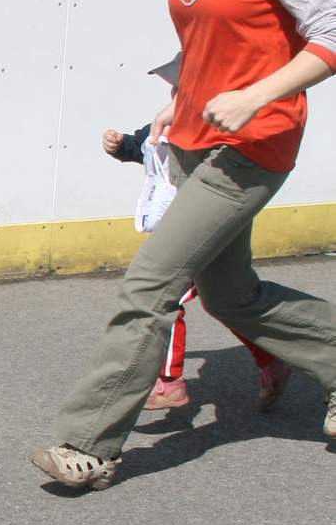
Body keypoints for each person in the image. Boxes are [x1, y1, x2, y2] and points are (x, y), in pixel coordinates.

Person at [33, 0, 336, 491]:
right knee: (231, 296)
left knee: (150, 283)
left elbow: (328, 35)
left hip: (252, 146)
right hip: (195, 140)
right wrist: (177, 94)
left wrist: (255, 95)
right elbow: (208, 36)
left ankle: (89, 444)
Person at [101, 117, 286, 413]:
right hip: (182, 235)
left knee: (165, 298)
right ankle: (271, 358)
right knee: (227, 304)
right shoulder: (171, 119)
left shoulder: (219, 124)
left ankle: (169, 381)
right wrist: (121, 145)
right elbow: (145, 146)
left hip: (206, 231)